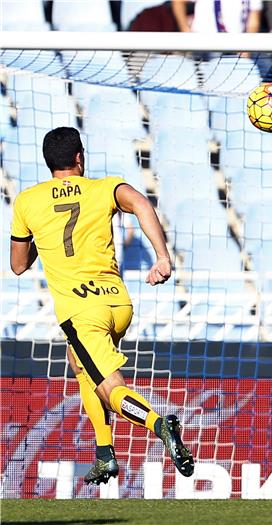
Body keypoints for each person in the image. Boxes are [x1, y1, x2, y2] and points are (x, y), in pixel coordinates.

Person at [9, 127, 194, 485]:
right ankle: (105, 453)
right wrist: (162, 257)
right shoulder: (102, 188)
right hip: (117, 302)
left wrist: (41, 236)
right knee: (80, 364)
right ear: (79, 157)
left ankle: (160, 423)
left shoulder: (28, 201)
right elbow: (141, 201)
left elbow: (18, 264)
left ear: (48, 162)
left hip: (82, 313)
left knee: (111, 391)